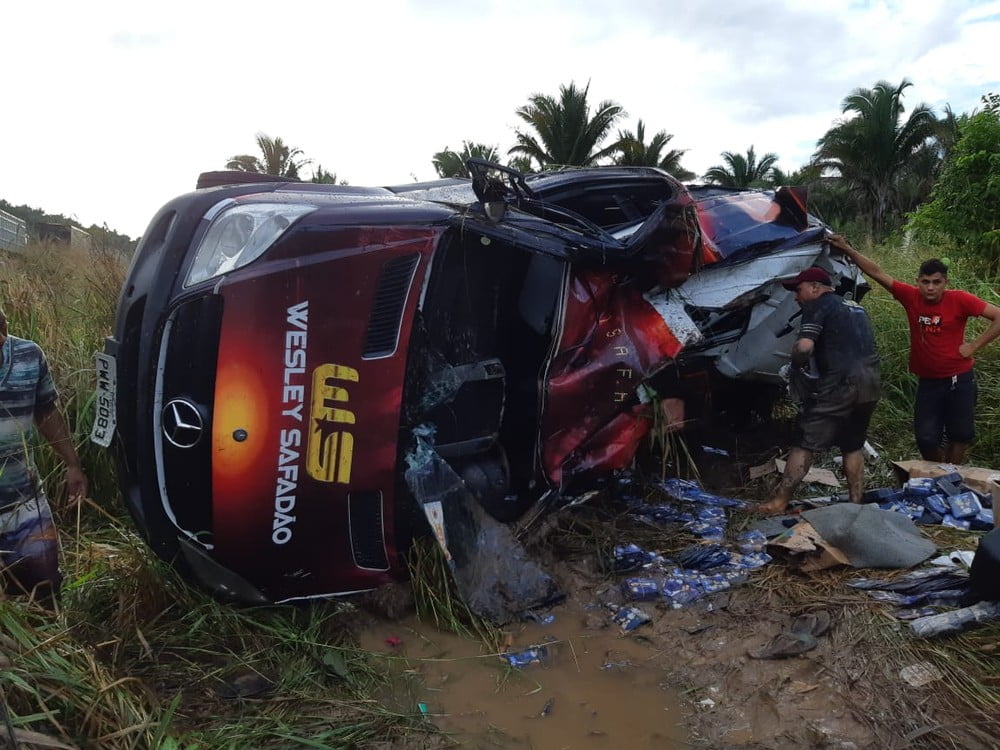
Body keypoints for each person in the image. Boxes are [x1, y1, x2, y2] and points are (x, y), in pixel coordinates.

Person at [830, 234, 1000, 464]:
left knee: (960, 435)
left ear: (945, 283)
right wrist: (848, 249)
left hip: (959, 379)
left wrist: (973, 346)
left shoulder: (960, 299)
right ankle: (940, 473)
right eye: (925, 282)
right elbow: (877, 272)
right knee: (926, 438)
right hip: (928, 381)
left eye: (936, 282)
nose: (930, 288)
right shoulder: (911, 297)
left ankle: (952, 479)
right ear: (918, 281)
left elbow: (998, 316)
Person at [757, 266, 881, 515]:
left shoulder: (818, 306)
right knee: (853, 444)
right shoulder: (855, 307)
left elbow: (804, 347)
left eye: (799, 290)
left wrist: (795, 368)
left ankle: (778, 502)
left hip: (840, 384)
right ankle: (856, 504)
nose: (796, 297)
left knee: (805, 441)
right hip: (871, 382)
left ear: (815, 287)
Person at [0, 308, 87, 604]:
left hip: (26, 502)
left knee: (46, 588)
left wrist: (72, 464)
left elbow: (46, 412)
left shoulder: (28, 355)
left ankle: (50, 642)